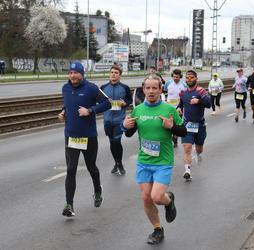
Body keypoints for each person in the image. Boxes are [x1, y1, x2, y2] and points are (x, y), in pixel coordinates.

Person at [122, 74, 187, 245]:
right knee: (146, 198)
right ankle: (158, 229)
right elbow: (129, 133)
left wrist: (171, 126)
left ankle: (169, 200)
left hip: (163, 162)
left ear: (160, 90)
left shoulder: (168, 110)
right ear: (143, 90)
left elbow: (183, 131)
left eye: (154, 88)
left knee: (157, 197)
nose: (151, 91)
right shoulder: (138, 110)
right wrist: (125, 126)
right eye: (148, 88)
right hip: (144, 162)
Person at [58, 61, 111, 217]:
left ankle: (97, 190)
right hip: (71, 136)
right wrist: (63, 112)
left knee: (91, 167)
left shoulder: (91, 88)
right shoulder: (65, 88)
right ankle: (69, 204)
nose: (73, 76)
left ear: (82, 74)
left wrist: (90, 110)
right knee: (71, 169)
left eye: (76, 73)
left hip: (88, 136)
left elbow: (106, 103)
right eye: (70, 73)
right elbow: (67, 105)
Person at [177, 70, 211, 180]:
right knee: (187, 148)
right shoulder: (183, 92)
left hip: (200, 125)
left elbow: (209, 104)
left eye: (191, 77)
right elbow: (181, 104)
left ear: (196, 79)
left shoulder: (201, 91)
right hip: (187, 125)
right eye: (187, 78)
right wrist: (178, 109)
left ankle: (198, 154)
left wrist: (199, 101)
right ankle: (187, 171)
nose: (189, 79)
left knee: (199, 148)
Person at [100, 64, 132, 175]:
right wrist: (105, 102)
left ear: (120, 75)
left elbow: (129, 100)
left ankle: (119, 163)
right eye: (112, 72)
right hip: (107, 120)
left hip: (119, 120)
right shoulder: (103, 88)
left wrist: (124, 103)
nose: (113, 74)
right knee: (112, 142)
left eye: (116, 73)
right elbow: (99, 103)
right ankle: (116, 163)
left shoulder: (125, 88)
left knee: (117, 142)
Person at [164, 69, 187, 147]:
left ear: (180, 77)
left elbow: (185, 95)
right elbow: (163, 92)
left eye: (177, 77)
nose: (175, 78)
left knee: (176, 124)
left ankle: (175, 139)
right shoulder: (168, 83)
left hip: (178, 107)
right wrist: (165, 100)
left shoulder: (184, 85)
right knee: (168, 122)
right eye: (174, 77)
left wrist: (183, 105)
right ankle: (169, 138)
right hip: (168, 107)